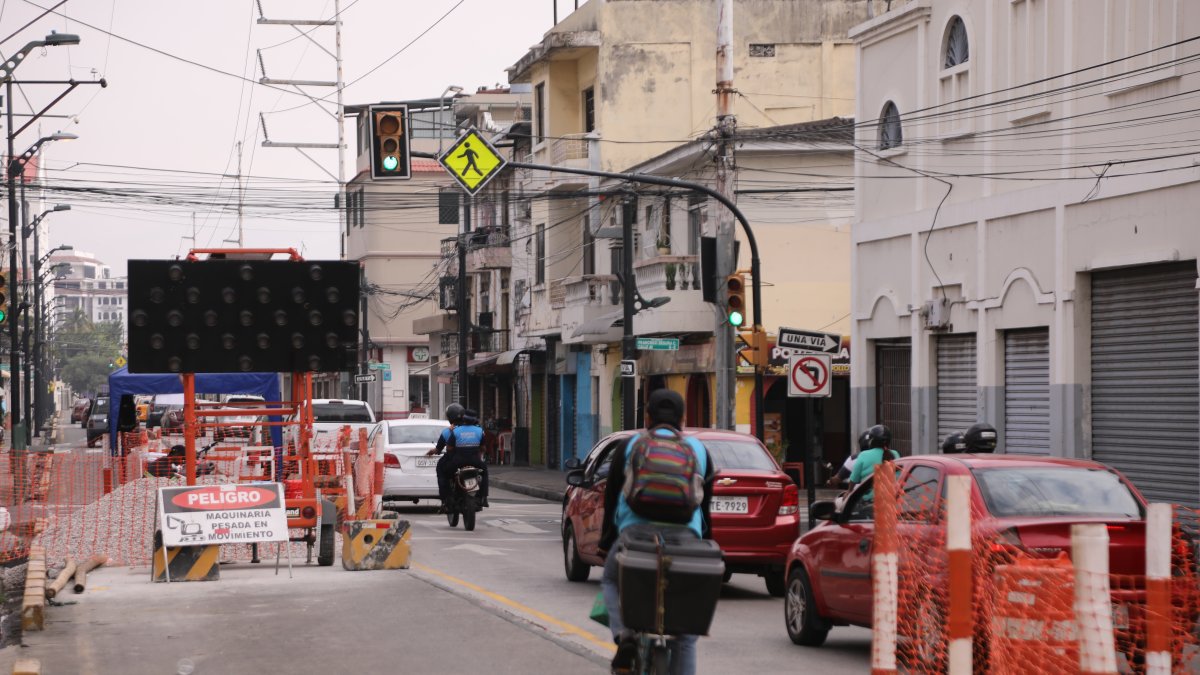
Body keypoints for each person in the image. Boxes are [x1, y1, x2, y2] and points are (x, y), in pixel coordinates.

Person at [598, 389, 715, 675]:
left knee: (611, 581)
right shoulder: (699, 450)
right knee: (685, 635)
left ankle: (624, 635)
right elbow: (705, 506)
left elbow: (612, 497)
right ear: (683, 419)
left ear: (647, 416)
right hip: (686, 541)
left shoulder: (630, 445)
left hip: (635, 537)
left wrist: (606, 543)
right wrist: (705, 545)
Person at [429, 404, 490, 509]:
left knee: (441, 471)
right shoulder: (479, 430)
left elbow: (447, 449)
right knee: (485, 472)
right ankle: (483, 497)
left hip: (456, 461)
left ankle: (446, 499)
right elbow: (483, 448)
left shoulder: (450, 431)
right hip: (475, 461)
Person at [847, 424, 899, 492]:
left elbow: (854, 480)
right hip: (891, 499)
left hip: (868, 500)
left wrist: (848, 492)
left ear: (872, 440)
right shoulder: (895, 454)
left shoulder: (863, 455)